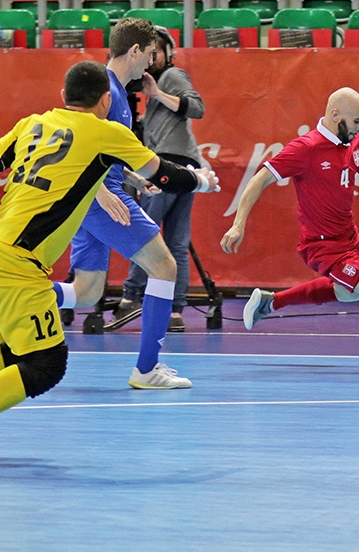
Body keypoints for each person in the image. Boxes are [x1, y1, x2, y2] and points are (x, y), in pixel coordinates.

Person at [0, 60, 218, 462]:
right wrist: (202, 179)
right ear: (106, 100)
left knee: (18, 352)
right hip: (18, 260)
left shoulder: (33, 123)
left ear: (62, 97)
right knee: (46, 365)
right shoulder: (108, 132)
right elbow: (166, 174)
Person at [0, 19, 202, 389]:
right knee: (163, 266)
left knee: (89, 290)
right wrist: (103, 193)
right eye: (150, 53)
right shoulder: (105, 90)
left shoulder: (120, 94)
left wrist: (135, 179)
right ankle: (146, 370)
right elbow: (77, 151)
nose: (153, 62)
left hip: (94, 198)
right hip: (97, 201)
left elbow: (102, 156)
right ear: (135, 51)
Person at [220, 87, 359, 345]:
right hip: (322, 246)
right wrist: (238, 225)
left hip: (349, 238)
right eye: (356, 121)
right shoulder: (305, 148)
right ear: (335, 114)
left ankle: (270, 302)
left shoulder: (354, 144)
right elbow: (259, 179)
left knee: (348, 294)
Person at [114, 26, 205, 333]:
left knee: (146, 234)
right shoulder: (151, 83)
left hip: (167, 164)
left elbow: (197, 107)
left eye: (158, 51)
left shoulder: (171, 77)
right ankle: (176, 311)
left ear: (169, 53)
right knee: (177, 241)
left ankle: (130, 296)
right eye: (148, 52)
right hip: (184, 165)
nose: (152, 57)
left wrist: (156, 93)